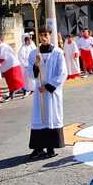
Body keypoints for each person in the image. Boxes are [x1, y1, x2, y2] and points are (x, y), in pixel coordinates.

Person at [28, 28, 68, 159]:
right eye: (41, 35)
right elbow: (30, 73)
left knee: (51, 117)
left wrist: (49, 86)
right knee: (39, 118)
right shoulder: (34, 53)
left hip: (51, 92)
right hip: (39, 91)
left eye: (46, 35)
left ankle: (51, 147)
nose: (43, 37)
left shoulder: (57, 53)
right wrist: (36, 64)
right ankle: (38, 148)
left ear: (51, 36)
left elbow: (62, 73)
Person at [0, 34, 26, 99]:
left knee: (16, 80)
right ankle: (11, 94)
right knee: (10, 81)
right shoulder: (1, 46)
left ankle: (24, 90)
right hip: (9, 66)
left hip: (11, 65)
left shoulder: (2, 46)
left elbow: (2, 57)